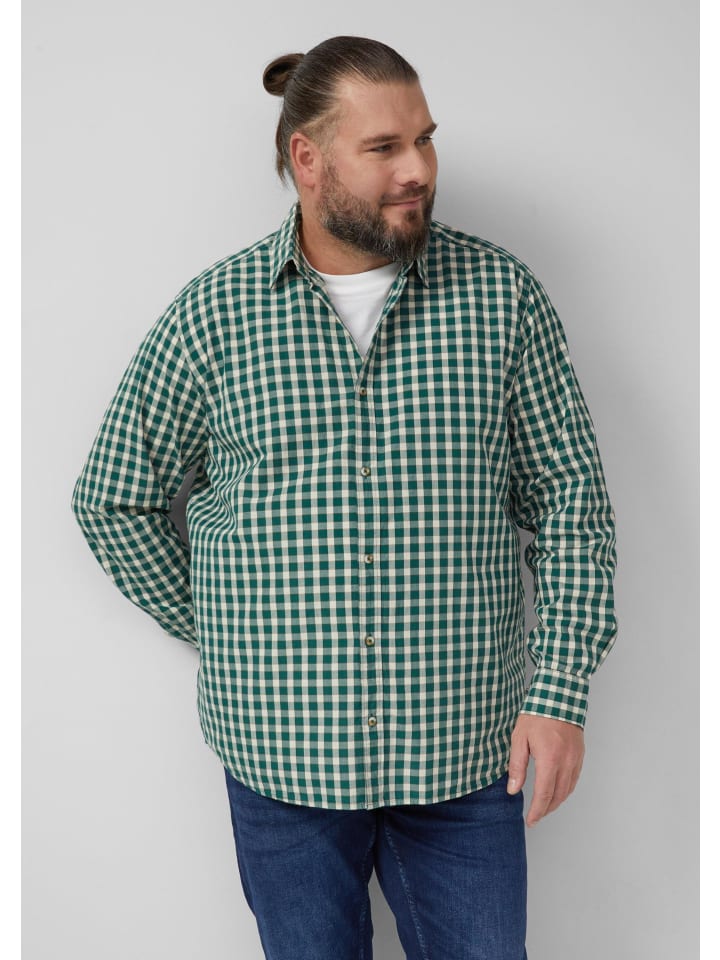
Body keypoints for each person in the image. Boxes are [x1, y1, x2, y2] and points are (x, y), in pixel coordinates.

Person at [71, 35, 617, 960]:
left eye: (425, 139)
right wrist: (228, 626)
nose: (418, 170)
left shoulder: (501, 297)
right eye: (384, 148)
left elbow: (571, 503)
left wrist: (560, 689)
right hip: (282, 760)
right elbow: (114, 498)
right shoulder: (215, 316)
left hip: (462, 752)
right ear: (308, 158)